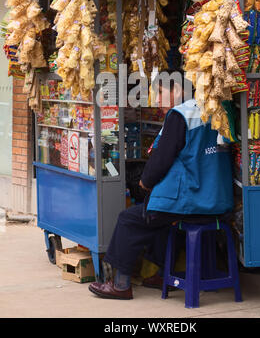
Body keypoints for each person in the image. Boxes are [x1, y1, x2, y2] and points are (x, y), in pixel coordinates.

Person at [89, 70, 234, 300]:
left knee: (132, 218)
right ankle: (157, 274)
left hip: (193, 201)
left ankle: (120, 284)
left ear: (176, 90)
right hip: (219, 201)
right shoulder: (219, 110)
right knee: (159, 216)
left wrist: (145, 182)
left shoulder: (181, 115)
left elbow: (161, 160)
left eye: (159, 92)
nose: (156, 100)